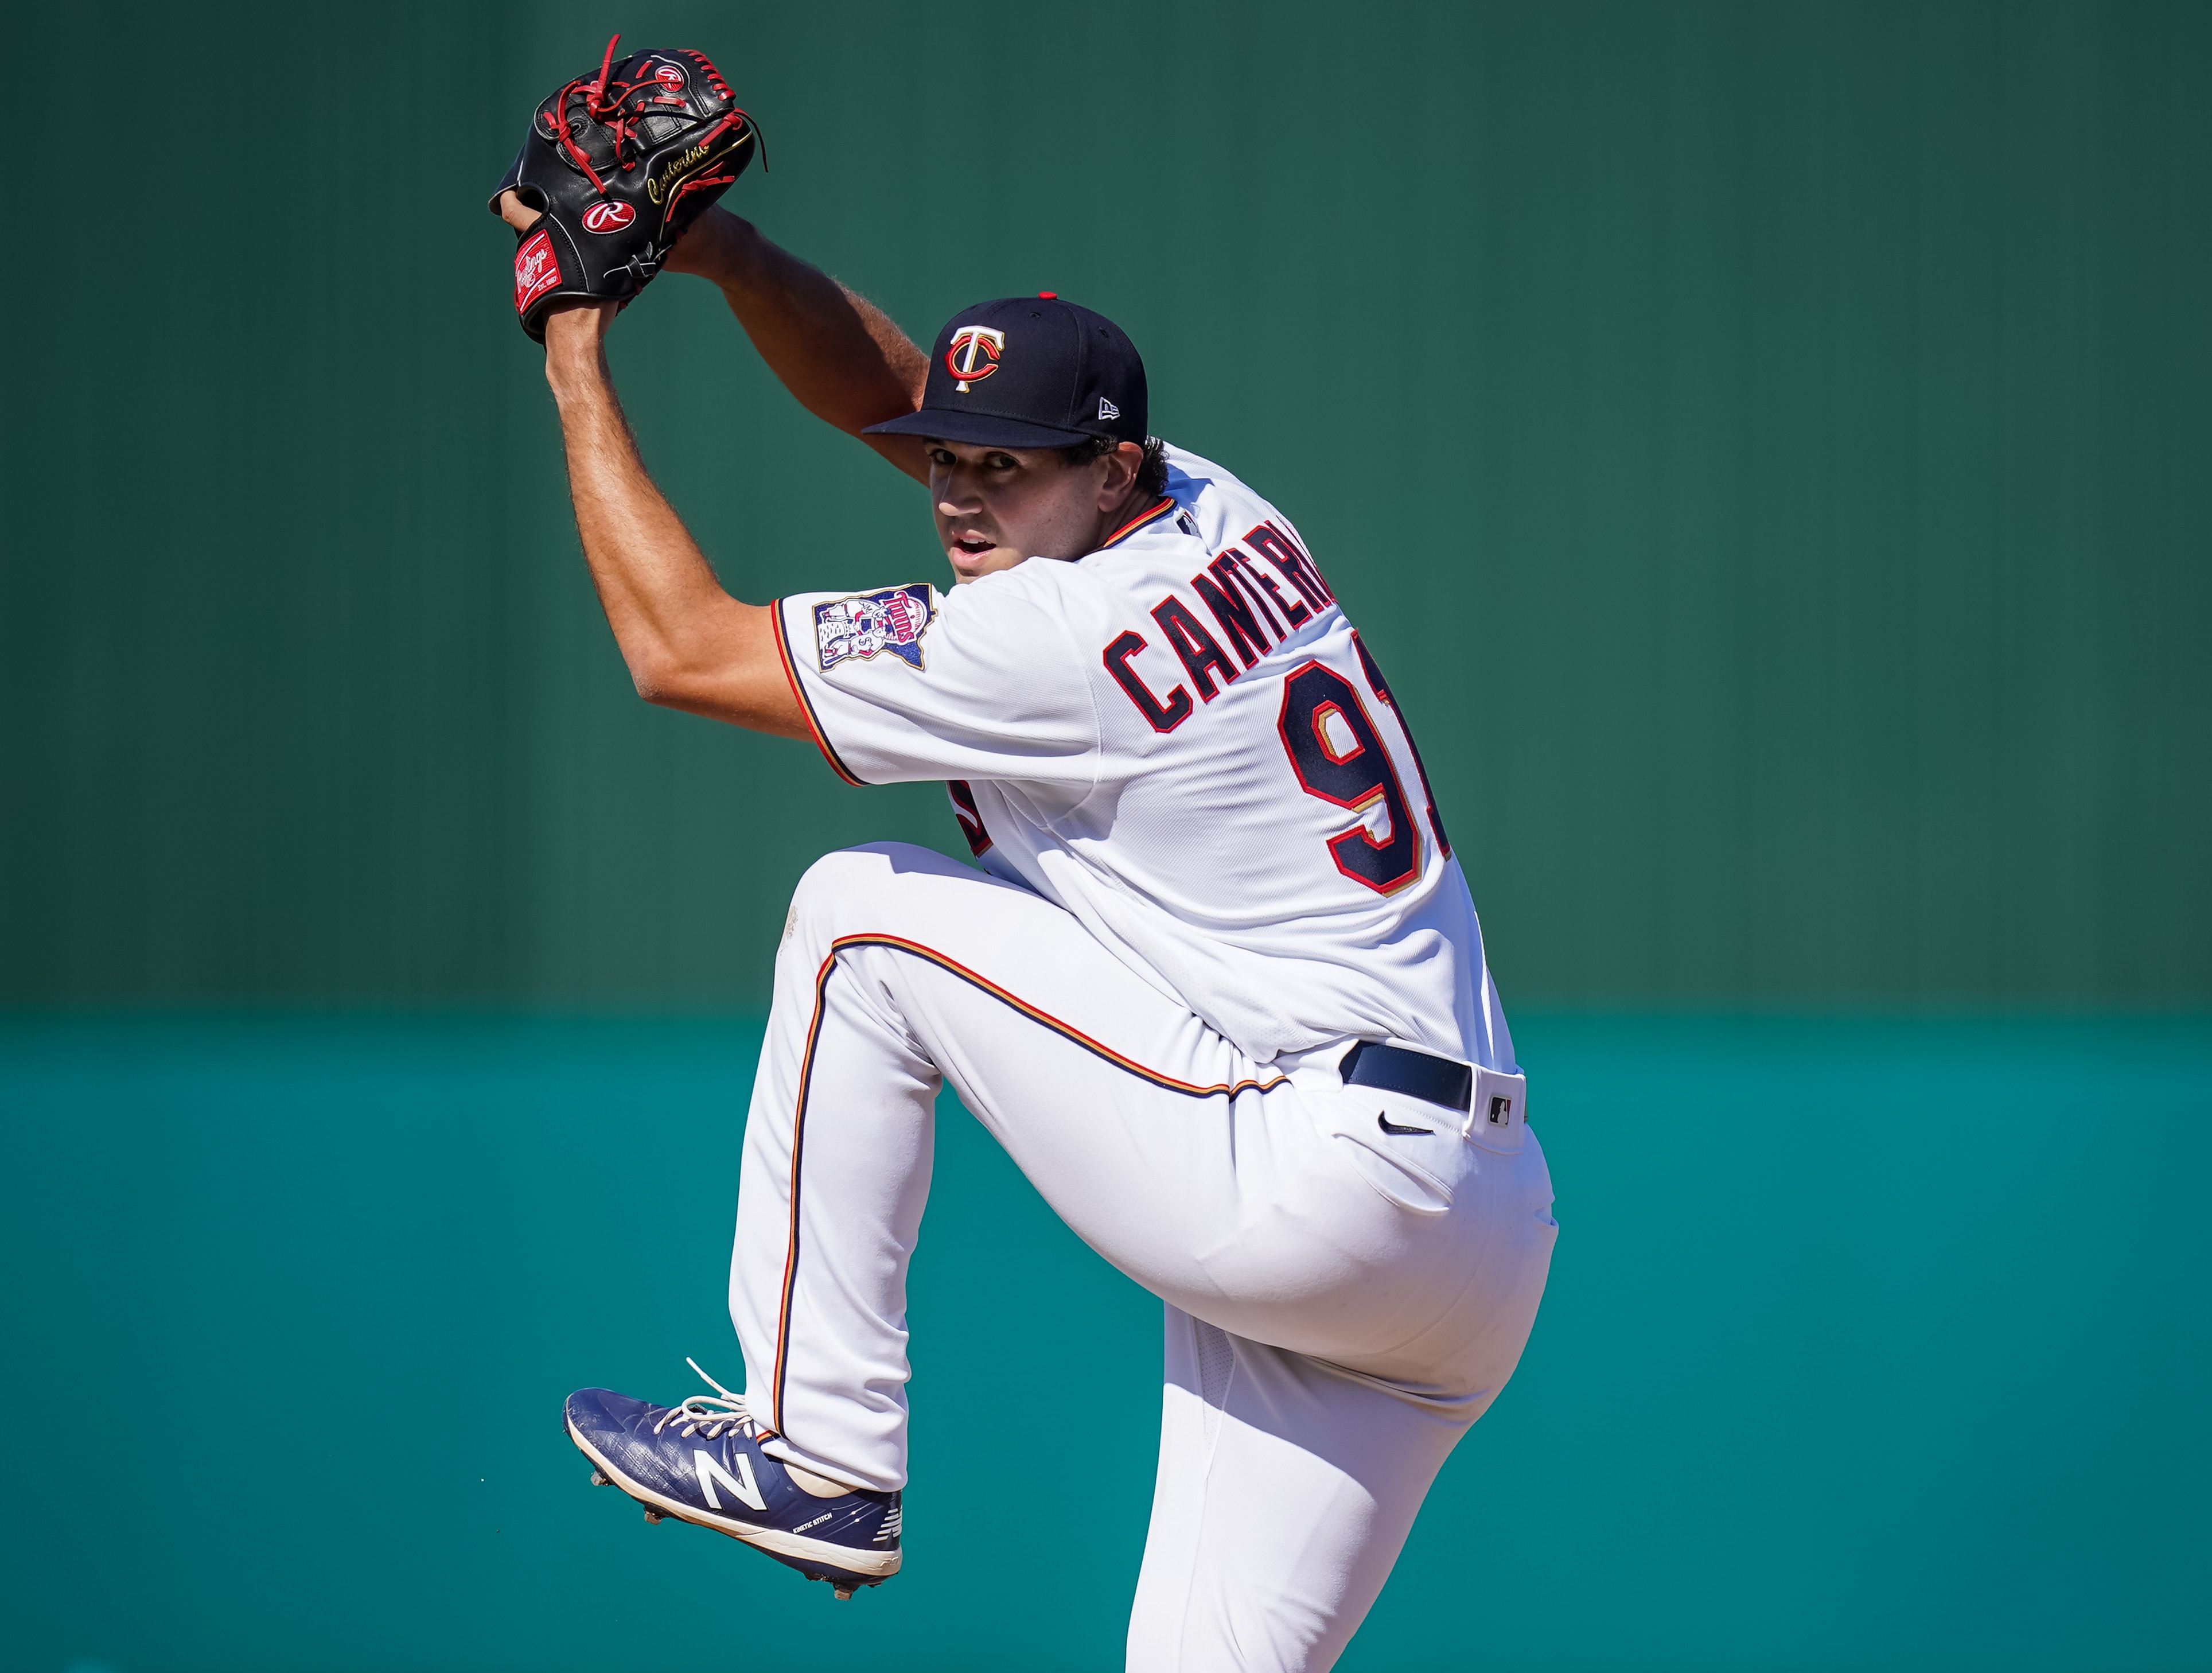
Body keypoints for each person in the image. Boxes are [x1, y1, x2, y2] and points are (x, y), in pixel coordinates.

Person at [500, 193, 1557, 1673]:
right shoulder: (1212, 503)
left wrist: (574, 350)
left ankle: (819, 1443)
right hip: (1475, 1238)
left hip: (1315, 1168)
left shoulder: (1048, 643)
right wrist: (728, 254)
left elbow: (677, 649)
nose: (958, 493)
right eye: (949, 458)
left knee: (859, 918)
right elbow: (889, 394)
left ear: (1109, 465)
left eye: (1005, 464)